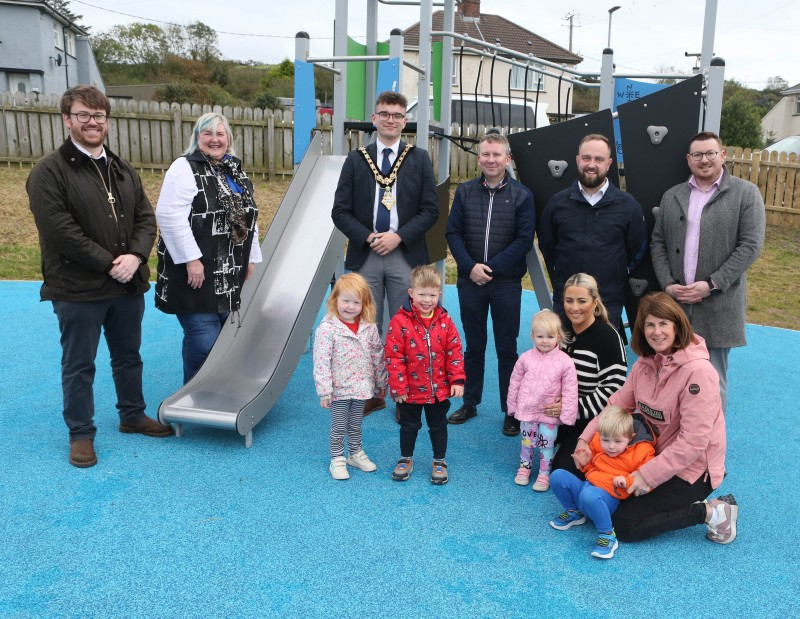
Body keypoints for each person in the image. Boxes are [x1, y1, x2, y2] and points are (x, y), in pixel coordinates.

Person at [27, 85, 173, 468]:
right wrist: (111, 262)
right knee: (80, 364)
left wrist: (137, 256)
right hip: (78, 288)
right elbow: (60, 230)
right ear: (67, 119)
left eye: (99, 116)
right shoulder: (49, 171)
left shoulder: (122, 169)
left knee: (129, 357)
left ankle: (131, 415)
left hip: (127, 284)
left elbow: (145, 218)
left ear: (107, 120)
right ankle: (80, 434)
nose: (93, 123)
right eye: (84, 116)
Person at [573, 292, 737, 545]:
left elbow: (693, 444)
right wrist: (585, 439)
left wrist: (645, 477)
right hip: (653, 457)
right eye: (650, 324)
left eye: (663, 324)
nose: (656, 331)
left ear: (677, 325)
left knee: (624, 525)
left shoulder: (699, 373)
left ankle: (713, 511)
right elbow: (616, 404)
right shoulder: (645, 364)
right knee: (607, 496)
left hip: (692, 471)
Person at [332, 91, 439, 416]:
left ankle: (405, 394)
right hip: (366, 255)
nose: (390, 119)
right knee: (365, 326)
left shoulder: (418, 158)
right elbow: (340, 211)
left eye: (397, 115)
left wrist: (397, 237)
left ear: (404, 121)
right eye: (384, 114)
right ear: (375, 118)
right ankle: (371, 392)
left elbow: (430, 209)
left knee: (407, 326)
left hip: (404, 253)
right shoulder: (356, 159)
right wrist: (367, 236)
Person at [651, 131, 765, 412]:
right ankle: (676, 444)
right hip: (676, 304)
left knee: (711, 382)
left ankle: (709, 450)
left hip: (717, 305)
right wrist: (667, 284)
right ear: (689, 160)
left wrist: (712, 284)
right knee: (671, 378)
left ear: (722, 155)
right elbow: (659, 242)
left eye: (710, 153)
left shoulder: (746, 193)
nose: (705, 160)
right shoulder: (673, 195)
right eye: (698, 155)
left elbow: (750, 246)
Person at [154, 112, 262, 384]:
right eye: (208, 133)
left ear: (228, 139)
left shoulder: (234, 169)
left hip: (228, 270)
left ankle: (220, 393)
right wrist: (192, 259)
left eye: (220, 134)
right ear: (197, 138)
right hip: (196, 271)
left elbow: (249, 217)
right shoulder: (184, 167)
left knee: (226, 338)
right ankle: (192, 394)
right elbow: (169, 216)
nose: (215, 139)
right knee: (205, 341)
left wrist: (249, 258)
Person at [445, 132, 536, 436]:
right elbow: (453, 233)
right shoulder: (465, 192)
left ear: (507, 159)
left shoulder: (522, 195)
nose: (491, 160)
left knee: (507, 348)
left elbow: (524, 239)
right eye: (486, 154)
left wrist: (492, 269)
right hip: (470, 281)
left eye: (497, 155)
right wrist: (470, 267)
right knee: (473, 346)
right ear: (479, 158)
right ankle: (470, 402)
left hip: (505, 283)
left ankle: (510, 410)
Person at [538, 134, 647, 331]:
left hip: (607, 299)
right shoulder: (557, 203)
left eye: (599, 159)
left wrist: (616, 272)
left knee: (604, 358)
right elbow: (548, 246)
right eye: (586, 158)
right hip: (567, 300)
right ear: (578, 160)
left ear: (609, 163)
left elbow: (637, 248)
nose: (591, 164)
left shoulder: (628, 206)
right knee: (563, 358)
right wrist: (563, 270)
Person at [384, 265, 465, 485]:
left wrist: (457, 379)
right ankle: (405, 458)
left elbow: (454, 351)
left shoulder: (445, 321)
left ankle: (439, 460)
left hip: (438, 390)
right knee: (409, 426)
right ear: (411, 293)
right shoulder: (399, 322)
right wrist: (398, 387)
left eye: (431, 294)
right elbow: (394, 357)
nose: (427, 299)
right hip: (409, 390)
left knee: (438, 425)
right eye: (421, 294)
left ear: (439, 294)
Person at [547, 273, 628, 477]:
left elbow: (613, 390)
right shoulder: (559, 330)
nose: (574, 308)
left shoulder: (608, 337)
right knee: (530, 446)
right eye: (569, 301)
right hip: (561, 412)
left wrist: (572, 408)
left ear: (594, 302)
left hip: (589, 418)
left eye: (581, 301)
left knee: (562, 471)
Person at [549, 406, 656, 559]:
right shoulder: (598, 442)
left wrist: (627, 481)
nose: (611, 446)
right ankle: (575, 512)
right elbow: (593, 467)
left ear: (631, 437)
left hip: (608, 497)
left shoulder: (642, 452)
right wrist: (586, 464)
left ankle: (607, 534)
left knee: (589, 495)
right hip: (588, 488)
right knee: (558, 476)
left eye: (618, 441)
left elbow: (649, 479)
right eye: (605, 440)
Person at [313, 273, 388, 480]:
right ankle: (337, 458)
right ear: (334, 299)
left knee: (355, 424)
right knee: (338, 426)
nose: (350, 306)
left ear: (364, 304)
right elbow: (321, 361)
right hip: (339, 389)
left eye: (356, 302)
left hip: (362, 387)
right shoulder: (328, 328)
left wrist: (381, 383)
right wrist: (325, 391)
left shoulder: (368, 327)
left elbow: (377, 355)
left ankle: (354, 453)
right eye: (345, 300)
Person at [507, 310, 579, 491]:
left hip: (548, 413)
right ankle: (525, 468)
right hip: (527, 412)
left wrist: (567, 416)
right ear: (532, 335)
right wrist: (513, 406)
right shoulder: (525, 358)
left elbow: (571, 389)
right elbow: (514, 382)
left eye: (550, 336)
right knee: (527, 442)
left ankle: (544, 473)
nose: (545, 341)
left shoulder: (565, 361)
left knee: (546, 444)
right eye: (540, 336)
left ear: (558, 336)